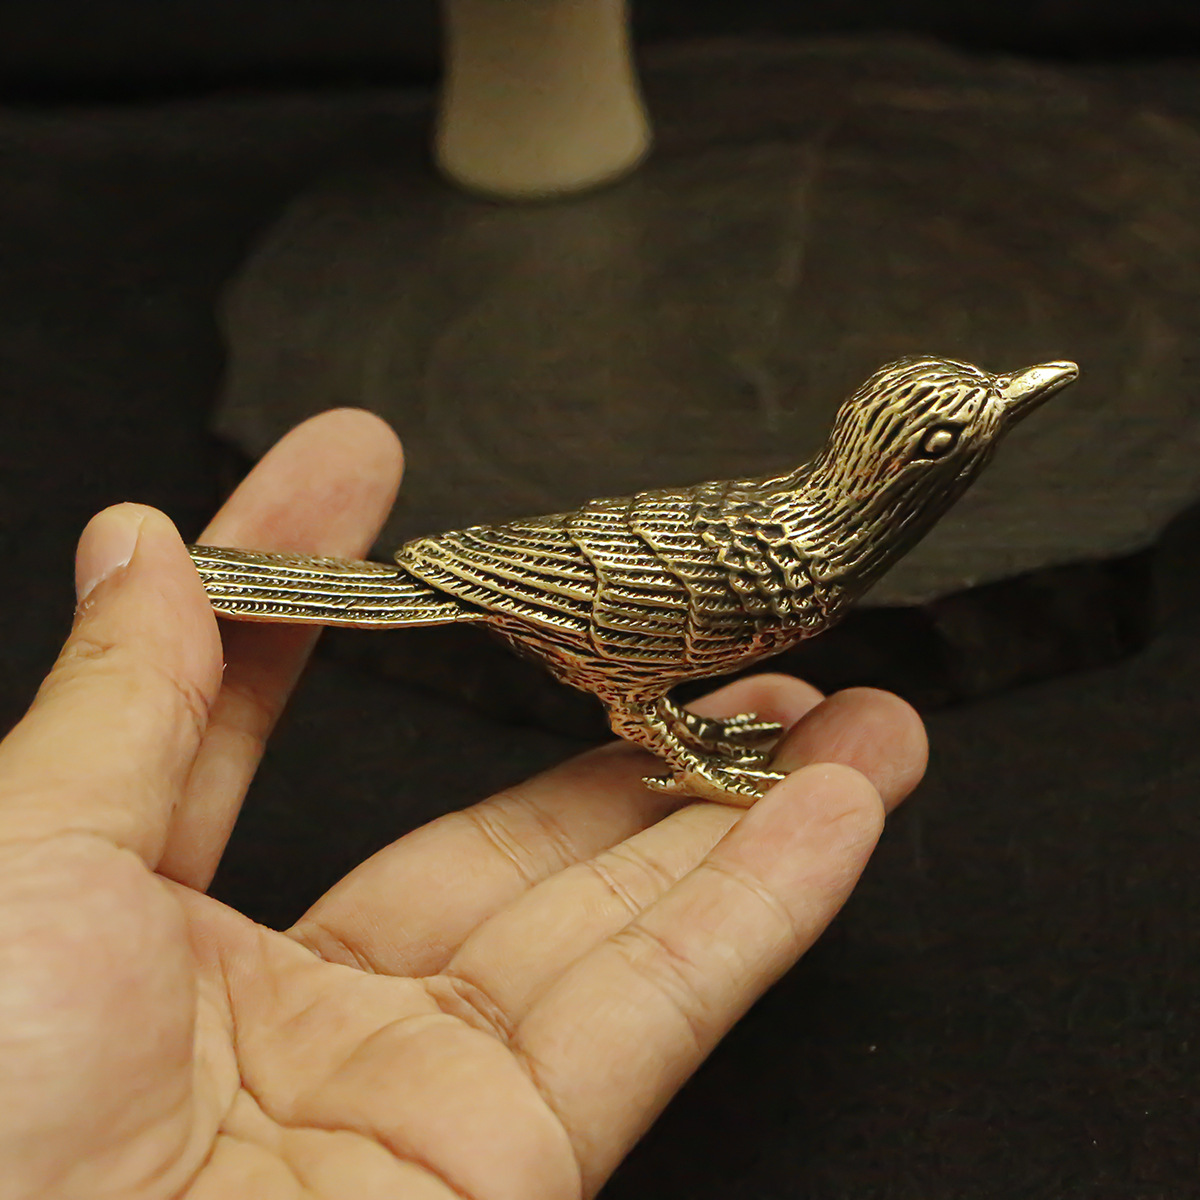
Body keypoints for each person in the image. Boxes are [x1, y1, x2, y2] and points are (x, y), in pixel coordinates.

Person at [0, 409, 927, 1200]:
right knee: (649, 697)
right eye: (942, 441)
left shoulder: (804, 543)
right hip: (565, 595)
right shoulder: (792, 566)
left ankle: (678, 737)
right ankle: (678, 742)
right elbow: (623, 607)